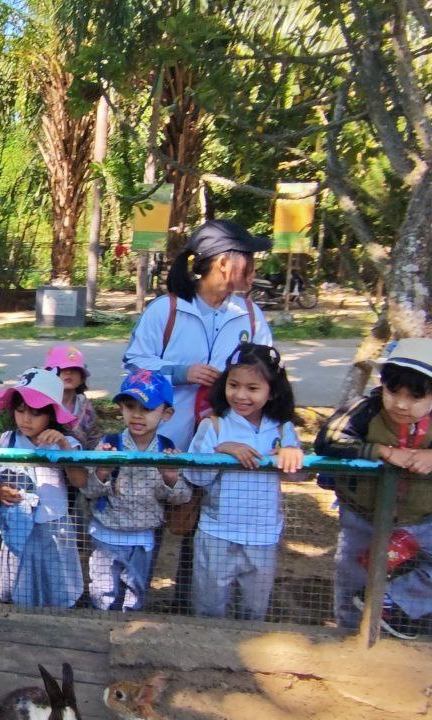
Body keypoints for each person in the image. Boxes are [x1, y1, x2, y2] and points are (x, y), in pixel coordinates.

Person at [121, 218, 274, 611]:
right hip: (167, 439)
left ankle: (188, 605)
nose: (254, 267)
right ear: (223, 263)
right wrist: (180, 372)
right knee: (151, 522)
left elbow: (270, 374)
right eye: (248, 258)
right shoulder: (167, 310)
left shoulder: (249, 315)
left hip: (222, 445)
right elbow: (134, 362)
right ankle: (133, 603)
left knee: (204, 529)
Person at [315, 338, 432, 639]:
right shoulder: (365, 408)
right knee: (352, 578)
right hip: (363, 517)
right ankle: (349, 638)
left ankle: (391, 598)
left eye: (415, 396)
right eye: (393, 391)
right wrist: (381, 451)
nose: (400, 403)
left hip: (427, 520)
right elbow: (328, 440)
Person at [185, 344, 303, 621]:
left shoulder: (283, 429)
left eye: (252, 388)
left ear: (272, 391)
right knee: (209, 605)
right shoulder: (214, 425)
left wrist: (292, 456)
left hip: (263, 533)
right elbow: (195, 476)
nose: (240, 395)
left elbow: (298, 476)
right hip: (217, 532)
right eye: (233, 385)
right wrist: (222, 452)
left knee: (254, 607)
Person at [82, 371, 191, 612]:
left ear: (166, 413)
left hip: (143, 538)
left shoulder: (167, 450)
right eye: (131, 406)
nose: (138, 415)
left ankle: (127, 627)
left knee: (135, 592)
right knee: (103, 593)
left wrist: (171, 478)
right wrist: (102, 472)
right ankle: (101, 628)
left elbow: (182, 497)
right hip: (105, 535)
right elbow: (88, 491)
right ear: (121, 408)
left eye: (148, 408)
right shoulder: (108, 445)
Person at [0, 368, 88, 608]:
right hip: (17, 526)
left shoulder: (66, 443)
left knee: (55, 586)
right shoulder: (7, 440)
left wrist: (63, 446)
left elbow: (80, 481)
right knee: (19, 586)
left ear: (52, 414)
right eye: (20, 410)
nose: (26, 419)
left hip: (53, 528)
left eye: (35, 413)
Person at [44, 345, 101, 450]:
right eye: (62, 369)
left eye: (74, 369)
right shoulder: (43, 404)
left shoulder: (85, 406)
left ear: (82, 378)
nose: (68, 372)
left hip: (80, 457)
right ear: (49, 374)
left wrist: (99, 450)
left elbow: (93, 437)